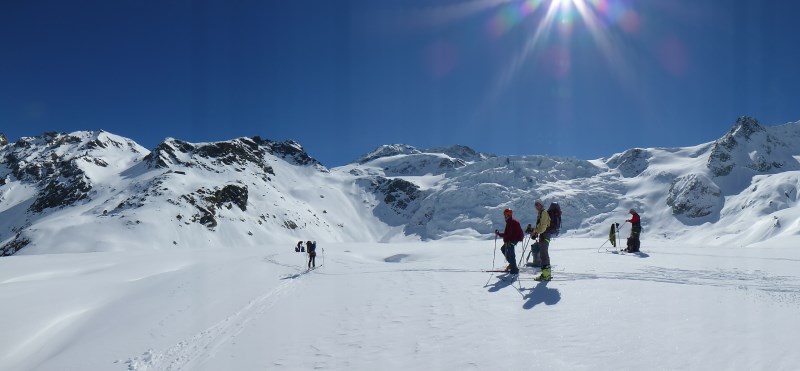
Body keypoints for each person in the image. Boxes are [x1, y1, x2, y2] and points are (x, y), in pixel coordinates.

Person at [495, 208, 523, 275]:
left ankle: (514, 269)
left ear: (508, 215)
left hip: (513, 239)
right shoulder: (510, 221)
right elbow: (508, 233)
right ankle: (512, 265)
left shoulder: (511, 222)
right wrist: (500, 234)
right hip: (513, 239)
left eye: (506, 215)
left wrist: (499, 234)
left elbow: (508, 234)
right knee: (504, 249)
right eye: (505, 215)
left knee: (511, 253)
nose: (505, 216)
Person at [530, 200, 553, 281]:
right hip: (544, 235)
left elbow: (543, 228)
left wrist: (536, 231)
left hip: (545, 235)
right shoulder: (541, 213)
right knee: (544, 254)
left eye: (538, 204)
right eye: (535, 205)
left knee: (543, 255)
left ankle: (545, 275)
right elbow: (541, 227)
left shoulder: (543, 213)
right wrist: (535, 231)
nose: (536, 206)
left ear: (541, 205)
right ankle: (547, 274)